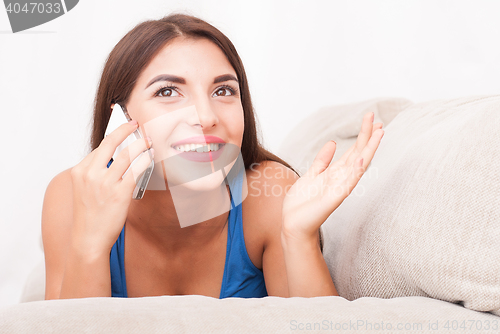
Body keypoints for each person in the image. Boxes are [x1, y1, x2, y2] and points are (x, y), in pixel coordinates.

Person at [41, 13, 384, 300]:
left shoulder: (269, 195)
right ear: (121, 118)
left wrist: (299, 237)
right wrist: (89, 246)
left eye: (223, 91)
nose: (205, 116)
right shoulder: (70, 197)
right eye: (168, 91)